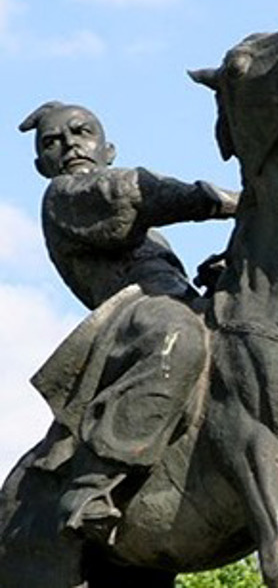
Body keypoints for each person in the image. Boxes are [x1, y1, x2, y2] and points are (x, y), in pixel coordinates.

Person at [19, 101, 236, 542]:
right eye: (52, 142)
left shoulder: (147, 228)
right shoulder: (65, 196)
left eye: (82, 132)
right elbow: (129, 193)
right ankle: (92, 482)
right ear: (42, 164)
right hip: (131, 318)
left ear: (108, 147)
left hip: (179, 299)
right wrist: (221, 201)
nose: (69, 145)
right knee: (175, 333)